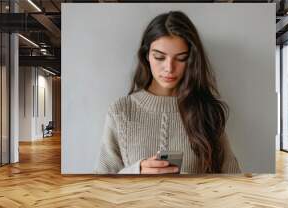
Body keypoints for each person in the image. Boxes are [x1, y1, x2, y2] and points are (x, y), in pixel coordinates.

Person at [95, 11, 241, 174]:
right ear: (146, 56)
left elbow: (233, 179)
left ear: (191, 59)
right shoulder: (120, 111)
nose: (169, 68)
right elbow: (101, 182)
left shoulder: (206, 111)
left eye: (181, 58)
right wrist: (137, 171)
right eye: (159, 57)